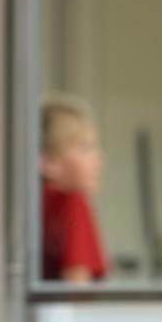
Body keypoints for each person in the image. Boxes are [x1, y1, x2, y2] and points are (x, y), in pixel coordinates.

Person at [40, 95, 108, 284]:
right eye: (85, 148)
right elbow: (77, 287)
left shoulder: (33, 207)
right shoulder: (73, 204)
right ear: (48, 161)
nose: (99, 159)